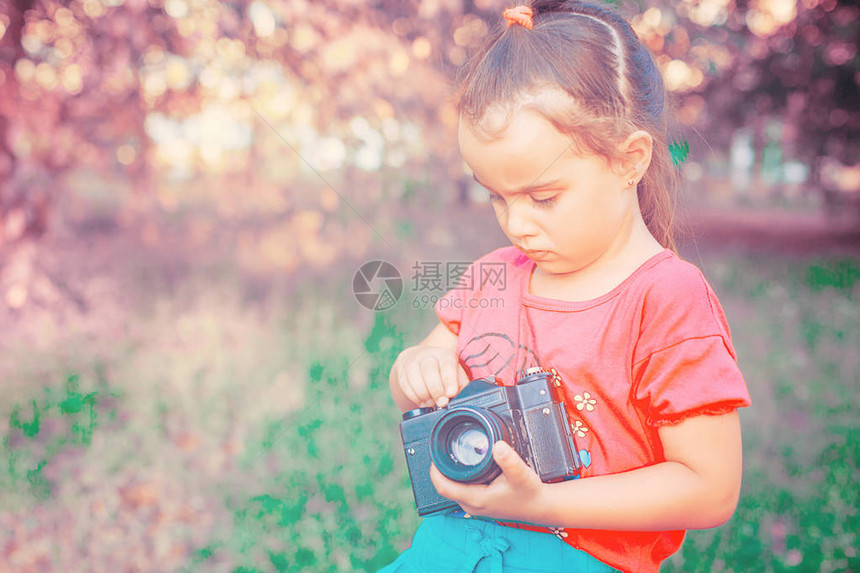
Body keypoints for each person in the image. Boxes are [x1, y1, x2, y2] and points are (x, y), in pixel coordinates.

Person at [382, 2, 751, 572]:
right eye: (497, 196)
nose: (517, 224)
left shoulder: (666, 299)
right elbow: (418, 379)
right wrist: (416, 366)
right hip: (451, 549)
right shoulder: (494, 274)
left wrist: (545, 503)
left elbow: (711, 488)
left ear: (629, 161)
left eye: (543, 197)